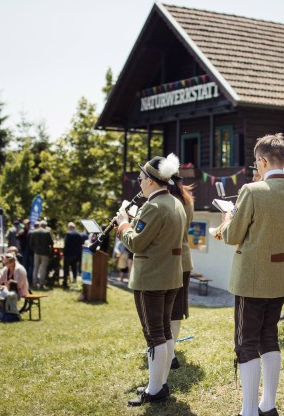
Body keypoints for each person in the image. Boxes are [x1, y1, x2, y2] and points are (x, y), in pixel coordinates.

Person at [221, 134, 284, 415]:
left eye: (256, 162)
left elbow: (233, 235)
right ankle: (267, 406)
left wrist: (227, 219)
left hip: (252, 277)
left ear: (262, 160)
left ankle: (248, 411)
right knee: (269, 336)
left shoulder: (252, 190)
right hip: (281, 273)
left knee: (246, 342)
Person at [116, 154, 186, 407]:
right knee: (165, 332)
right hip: (170, 275)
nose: (139, 182)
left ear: (151, 181)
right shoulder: (175, 202)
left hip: (151, 278)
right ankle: (159, 383)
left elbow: (136, 243)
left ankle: (155, 389)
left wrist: (123, 225)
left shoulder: (153, 206)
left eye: (141, 178)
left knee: (154, 334)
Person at [167, 171, 196, 370]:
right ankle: (171, 351)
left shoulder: (165, 200)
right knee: (176, 310)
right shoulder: (187, 199)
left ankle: (165, 352)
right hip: (184, 258)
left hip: (165, 260)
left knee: (162, 309)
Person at [29, 221, 54, 289]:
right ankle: (41, 284)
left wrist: (34, 250)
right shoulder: (47, 232)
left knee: (35, 268)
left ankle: (34, 283)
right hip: (45, 253)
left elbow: (31, 244)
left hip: (36, 252)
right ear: (45, 226)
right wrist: (50, 251)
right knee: (43, 269)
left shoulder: (34, 232)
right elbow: (51, 243)